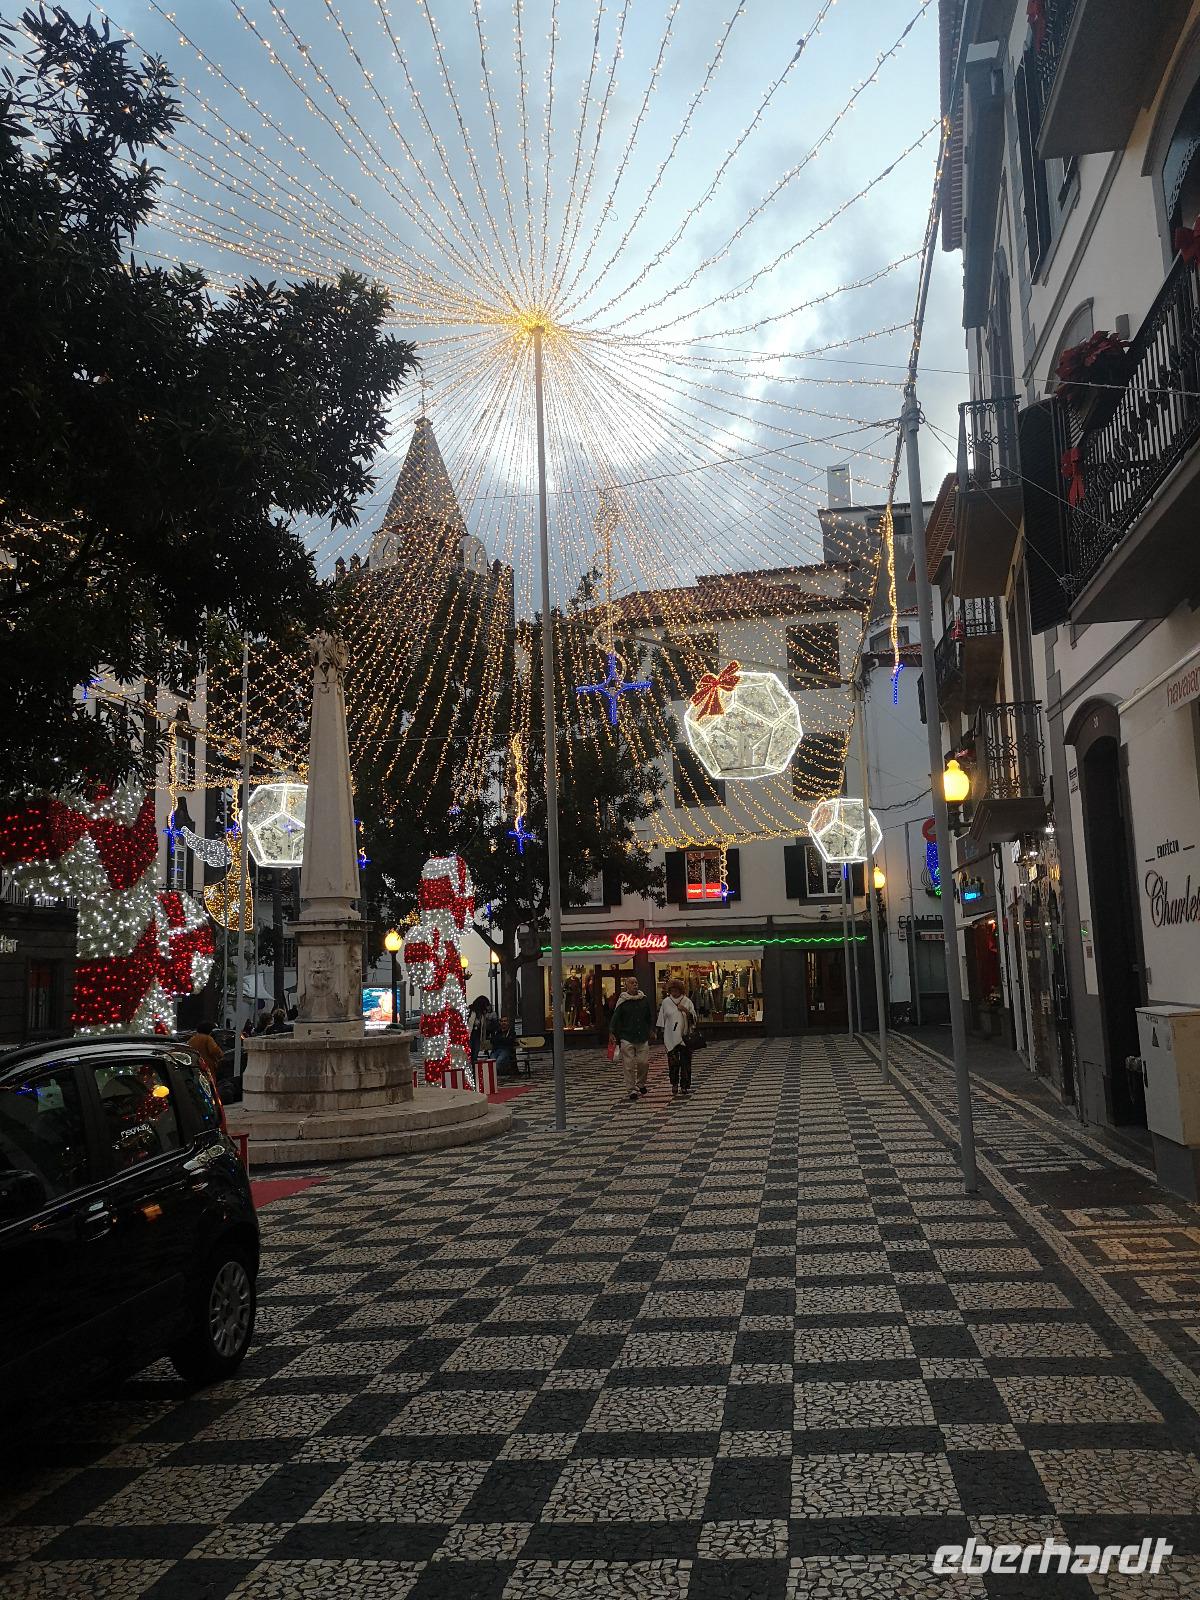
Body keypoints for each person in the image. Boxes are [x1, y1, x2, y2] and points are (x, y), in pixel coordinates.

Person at [609, 973, 654, 1101]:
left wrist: (650, 1030)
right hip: (627, 1036)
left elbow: (648, 1016)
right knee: (628, 1065)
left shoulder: (643, 999)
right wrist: (611, 1031)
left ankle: (640, 1083)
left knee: (643, 1063)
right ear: (626, 985)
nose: (635, 984)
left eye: (636, 983)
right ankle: (631, 1089)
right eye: (632, 983)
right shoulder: (623, 1001)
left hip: (642, 1036)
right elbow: (615, 1017)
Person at [656, 979, 697, 1097]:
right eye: (672, 990)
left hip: (684, 1036)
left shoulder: (687, 1001)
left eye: (676, 990)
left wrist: (686, 1011)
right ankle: (674, 1083)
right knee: (673, 1062)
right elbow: (662, 1020)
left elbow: (694, 1017)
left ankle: (684, 1085)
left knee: (685, 1062)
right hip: (670, 1036)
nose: (674, 993)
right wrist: (661, 1033)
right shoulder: (666, 1002)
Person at [186, 1020, 225, 1091]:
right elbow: (214, 1050)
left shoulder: (192, 1039)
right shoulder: (208, 1038)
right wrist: (221, 1056)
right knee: (210, 1087)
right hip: (207, 1066)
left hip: (195, 1066)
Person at [468, 996, 494, 1063]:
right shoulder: (471, 1010)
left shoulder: (482, 1014)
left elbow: (483, 1027)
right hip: (470, 1034)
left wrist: (483, 1038)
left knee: (475, 1053)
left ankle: (473, 1068)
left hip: (477, 1035)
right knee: (470, 1054)